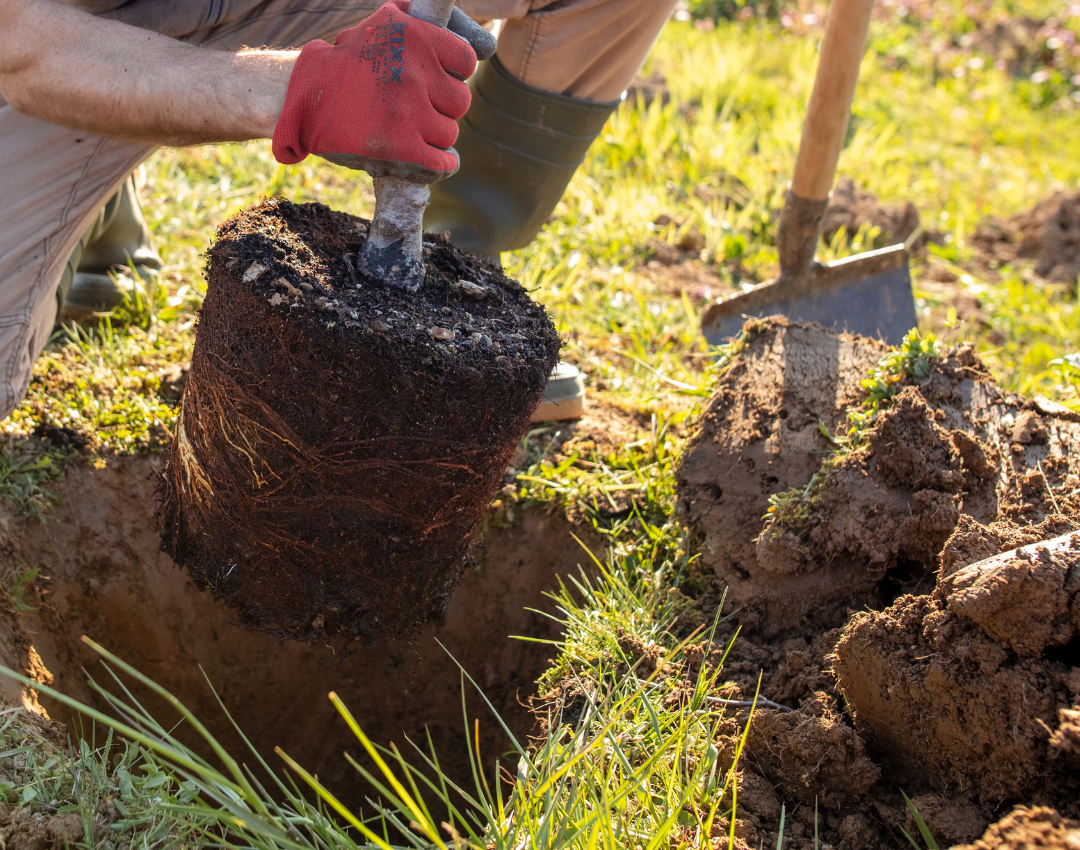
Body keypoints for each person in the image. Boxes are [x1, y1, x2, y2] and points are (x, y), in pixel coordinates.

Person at [0, 0, 678, 424]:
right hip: (44, 40)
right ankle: (93, 213)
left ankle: (449, 307)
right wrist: (303, 92)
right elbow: (18, 39)